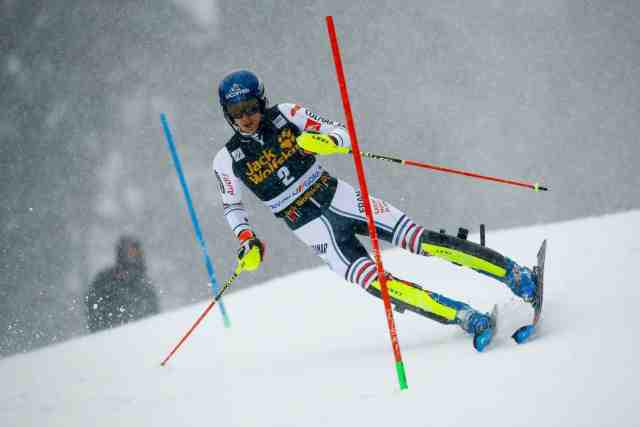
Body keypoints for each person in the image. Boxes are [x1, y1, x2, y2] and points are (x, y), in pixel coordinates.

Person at [212, 70, 539, 351]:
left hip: (337, 196)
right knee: (378, 284)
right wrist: (246, 240)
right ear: (227, 113)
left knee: (420, 241)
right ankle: (466, 317)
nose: (245, 117)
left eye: (250, 107)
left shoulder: (286, 113)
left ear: (262, 101)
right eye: (235, 111)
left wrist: (328, 142)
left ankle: (516, 275)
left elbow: (341, 133)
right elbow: (232, 206)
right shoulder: (226, 159)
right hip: (308, 226)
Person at [86, 235, 159, 333]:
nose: (132, 256)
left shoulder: (145, 285)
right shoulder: (105, 280)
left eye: (135, 252)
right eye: (129, 252)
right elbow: (94, 309)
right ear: (121, 253)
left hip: (141, 337)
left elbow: (153, 315)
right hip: (111, 336)